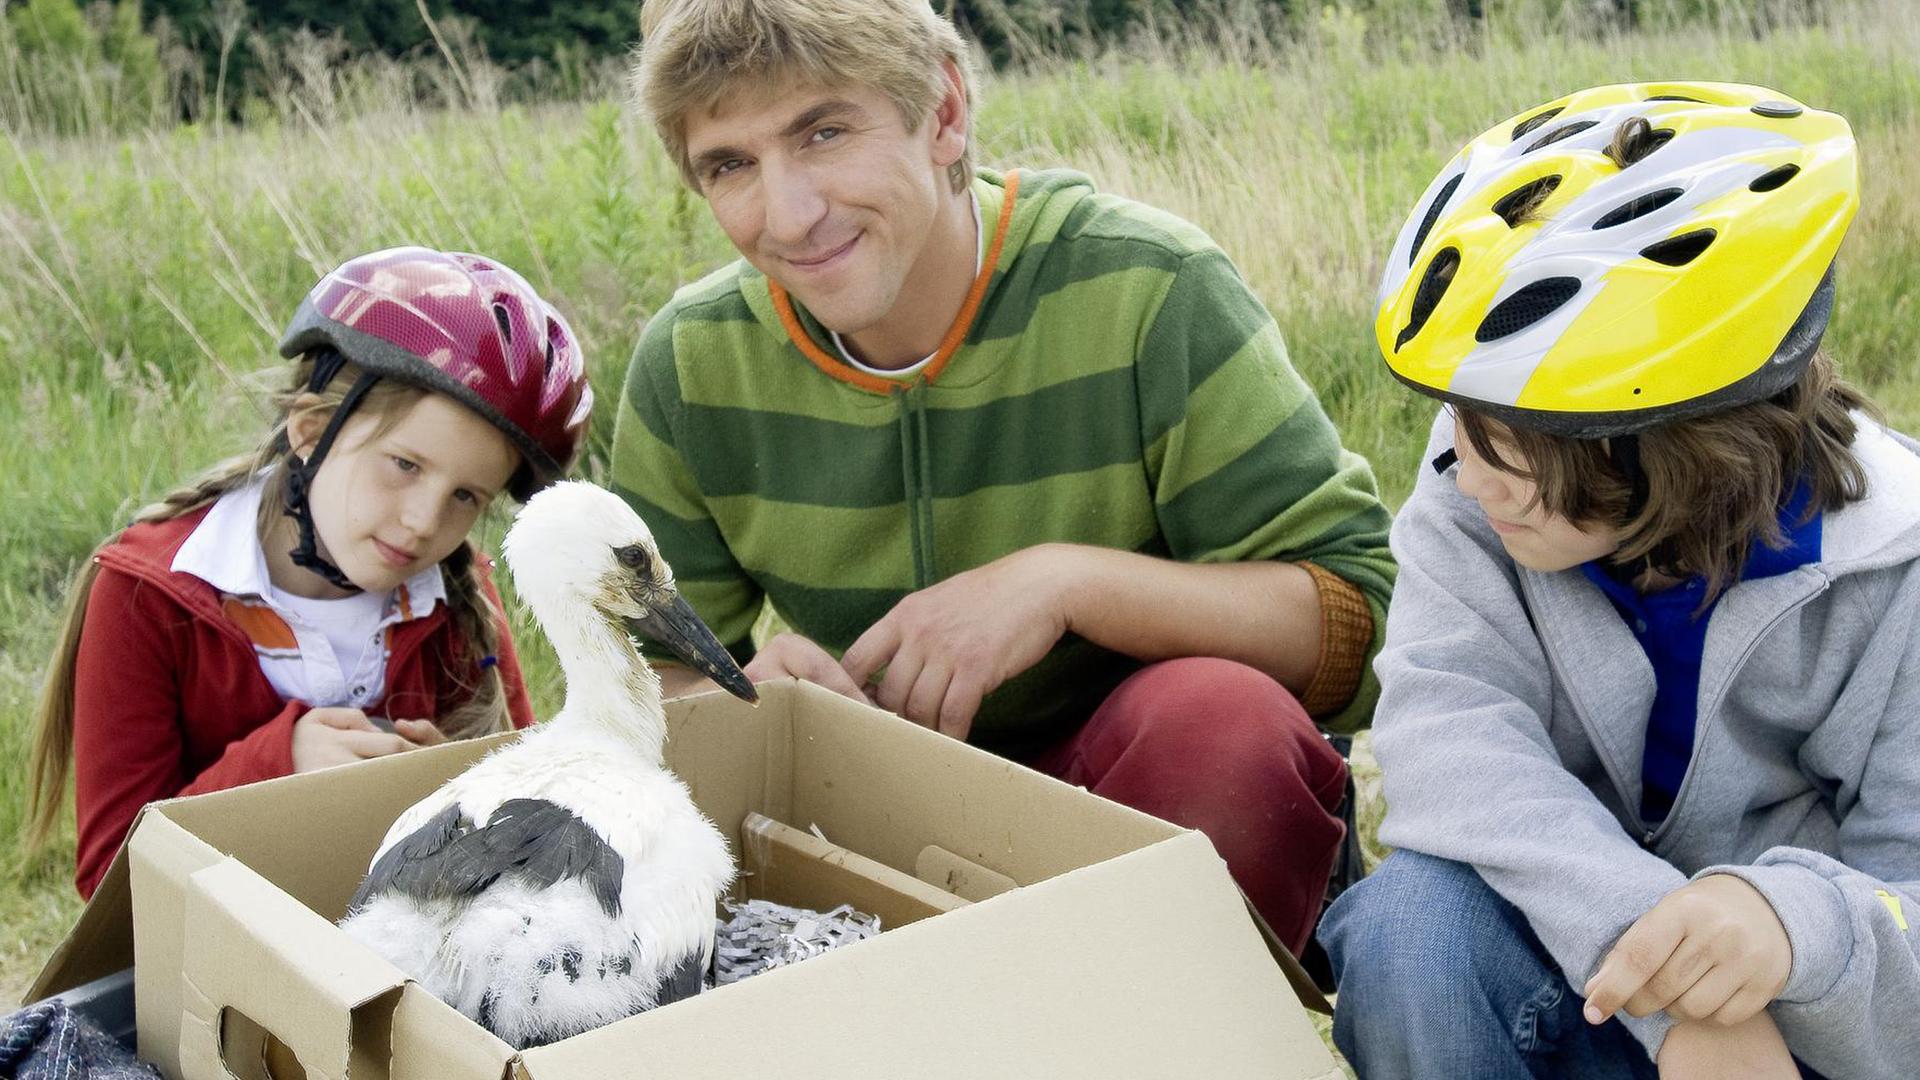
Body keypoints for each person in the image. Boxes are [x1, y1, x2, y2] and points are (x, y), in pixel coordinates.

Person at [614, 0, 1396, 958]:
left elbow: (1361, 620)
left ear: (944, 113)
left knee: (1222, 724)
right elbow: (636, 684)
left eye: (824, 132)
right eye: (730, 165)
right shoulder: (690, 366)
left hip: (1135, 809)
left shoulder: (1149, 289)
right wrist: (751, 704)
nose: (789, 215)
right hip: (874, 823)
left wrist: (1065, 585)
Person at [1318, 82, 1919, 1079]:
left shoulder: (1897, 566)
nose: (1469, 473)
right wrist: (1667, 989)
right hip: (1580, 976)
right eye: (1462, 418)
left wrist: (1789, 927)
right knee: (1409, 927)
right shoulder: (1474, 487)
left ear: (1691, 434)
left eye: (1516, 441)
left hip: (1805, 1034)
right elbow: (1446, 740)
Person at [25, 247, 594, 899]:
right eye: (404, 465)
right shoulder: (146, 595)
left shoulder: (460, 597)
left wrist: (446, 792)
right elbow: (111, 882)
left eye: (466, 496)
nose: (422, 522)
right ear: (310, 430)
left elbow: (522, 841)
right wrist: (278, 769)